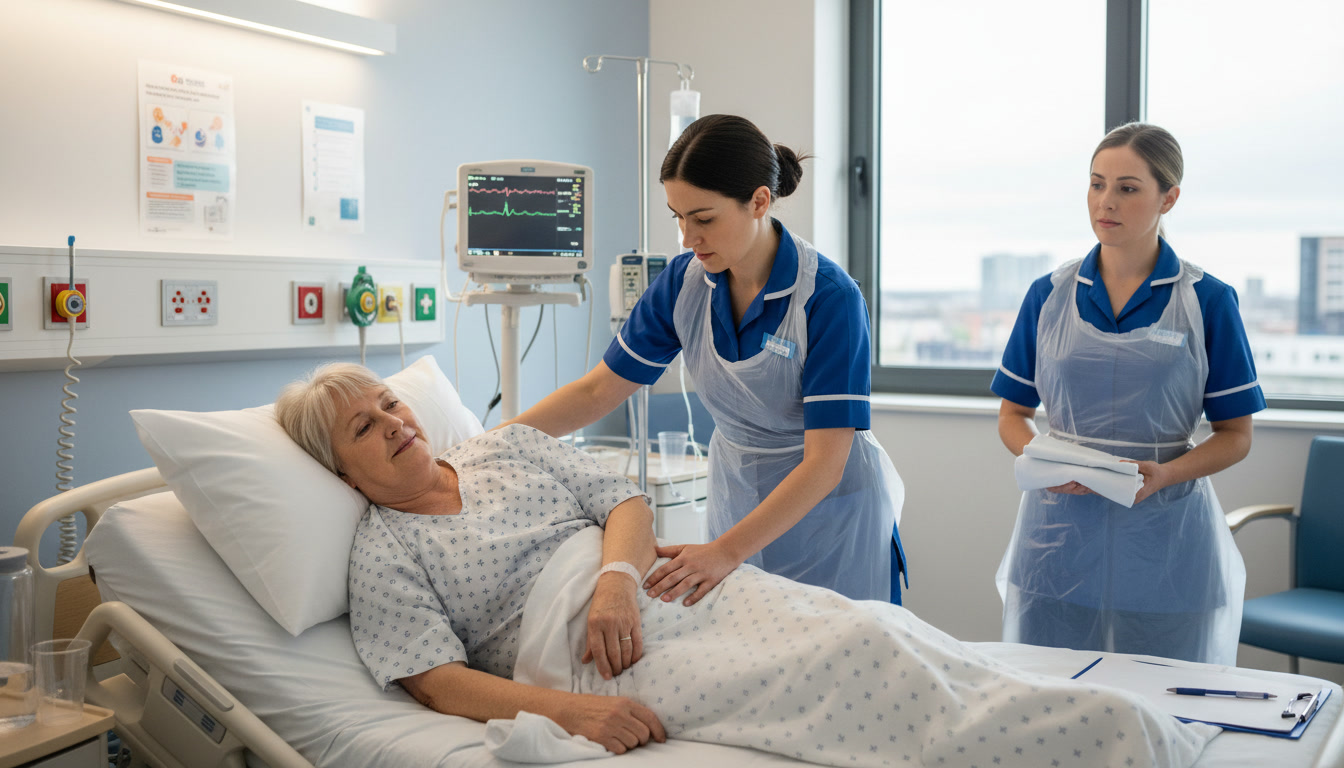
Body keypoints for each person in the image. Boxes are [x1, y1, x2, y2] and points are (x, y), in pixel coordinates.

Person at [273, 363, 1214, 767]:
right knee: (848, 669)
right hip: (584, 654)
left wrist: (618, 577)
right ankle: (1116, 743)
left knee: (869, 625)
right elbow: (437, 682)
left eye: (392, 405)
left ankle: (1120, 734)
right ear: (337, 466)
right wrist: (575, 712)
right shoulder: (382, 550)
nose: (397, 425)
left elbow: (628, 504)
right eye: (366, 427)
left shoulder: (501, 449)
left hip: (647, 590)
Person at [503, 114, 906, 606]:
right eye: (677, 216)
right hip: (735, 500)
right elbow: (598, 391)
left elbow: (824, 465)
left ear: (759, 201)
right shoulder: (685, 283)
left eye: (704, 218)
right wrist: (496, 445)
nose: (687, 237)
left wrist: (723, 552)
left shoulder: (827, 298)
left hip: (827, 521)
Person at [991, 123, 1264, 666]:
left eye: (1128, 188)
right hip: (1059, 535)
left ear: (1170, 197)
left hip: (1165, 537)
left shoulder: (1207, 300)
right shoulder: (1048, 294)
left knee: (1167, 702)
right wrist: (1043, 461)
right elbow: (1012, 414)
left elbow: (1236, 436)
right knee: (1050, 701)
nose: (1106, 202)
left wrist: (1164, 475)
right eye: (1096, 185)